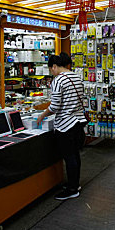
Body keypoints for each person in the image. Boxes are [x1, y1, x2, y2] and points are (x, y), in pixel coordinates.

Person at [37, 52, 86, 201]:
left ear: (55, 66)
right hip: (78, 121)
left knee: (69, 156)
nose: (52, 72)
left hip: (66, 124)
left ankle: (72, 189)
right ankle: (75, 184)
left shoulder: (58, 80)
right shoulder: (76, 77)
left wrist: (42, 115)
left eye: (51, 68)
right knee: (75, 155)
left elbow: (55, 106)